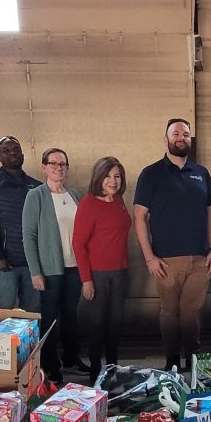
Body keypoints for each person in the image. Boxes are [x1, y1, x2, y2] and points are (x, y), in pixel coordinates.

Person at [133, 118, 211, 371]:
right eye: (176, 134)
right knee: (170, 312)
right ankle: (171, 358)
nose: (181, 137)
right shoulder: (151, 174)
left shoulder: (201, 173)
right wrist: (149, 257)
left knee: (192, 312)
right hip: (166, 260)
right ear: (166, 139)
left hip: (200, 259)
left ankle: (192, 360)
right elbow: (139, 216)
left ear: (190, 139)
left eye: (185, 134)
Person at [23, 148, 89, 383]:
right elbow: (29, 235)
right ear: (44, 167)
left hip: (75, 267)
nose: (58, 168)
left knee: (71, 315)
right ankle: (51, 364)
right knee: (50, 318)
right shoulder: (36, 196)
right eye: (53, 163)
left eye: (63, 164)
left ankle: (72, 358)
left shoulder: (75, 195)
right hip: (50, 269)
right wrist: (35, 271)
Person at [72, 157, 132, 382]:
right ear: (99, 177)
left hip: (121, 272)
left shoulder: (118, 200)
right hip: (97, 275)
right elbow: (78, 244)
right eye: (108, 176)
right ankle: (95, 372)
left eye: (117, 176)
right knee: (97, 324)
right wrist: (86, 280)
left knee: (115, 323)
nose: (113, 181)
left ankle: (113, 368)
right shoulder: (88, 204)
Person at [0, 135, 43, 310]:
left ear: (22, 154)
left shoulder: (36, 186)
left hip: (32, 263)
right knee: (4, 311)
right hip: (6, 263)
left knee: (32, 312)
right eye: (6, 150)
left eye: (16, 149)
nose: (12, 153)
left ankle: (30, 339)